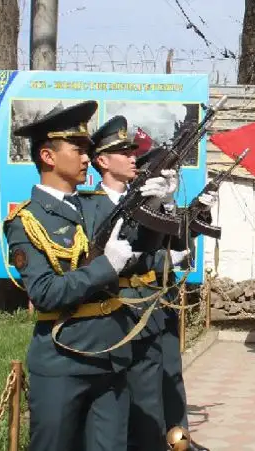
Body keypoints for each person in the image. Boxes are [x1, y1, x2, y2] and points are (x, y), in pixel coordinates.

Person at [4, 101, 167, 450]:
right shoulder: (27, 221)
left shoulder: (96, 205)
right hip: (64, 361)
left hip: (111, 356)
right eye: (77, 149)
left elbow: (139, 248)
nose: (85, 158)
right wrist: (104, 268)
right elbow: (46, 293)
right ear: (48, 156)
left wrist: (156, 203)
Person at [86, 115, 181, 450]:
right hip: (107, 314)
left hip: (146, 311)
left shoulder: (144, 201)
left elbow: (172, 247)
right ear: (101, 161)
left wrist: (165, 204)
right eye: (123, 151)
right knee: (109, 410)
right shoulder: (86, 206)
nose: (132, 157)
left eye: (133, 151)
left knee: (148, 407)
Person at [133, 138, 217, 451]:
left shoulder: (165, 208)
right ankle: (152, 440)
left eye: (173, 175)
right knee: (147, 384)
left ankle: (178, 441)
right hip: (139, 306)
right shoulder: (138, 211)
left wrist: (201, 209)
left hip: (164, 303)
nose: (172, 181)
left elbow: (183, 229)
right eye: (165, 175)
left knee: (171, 376)